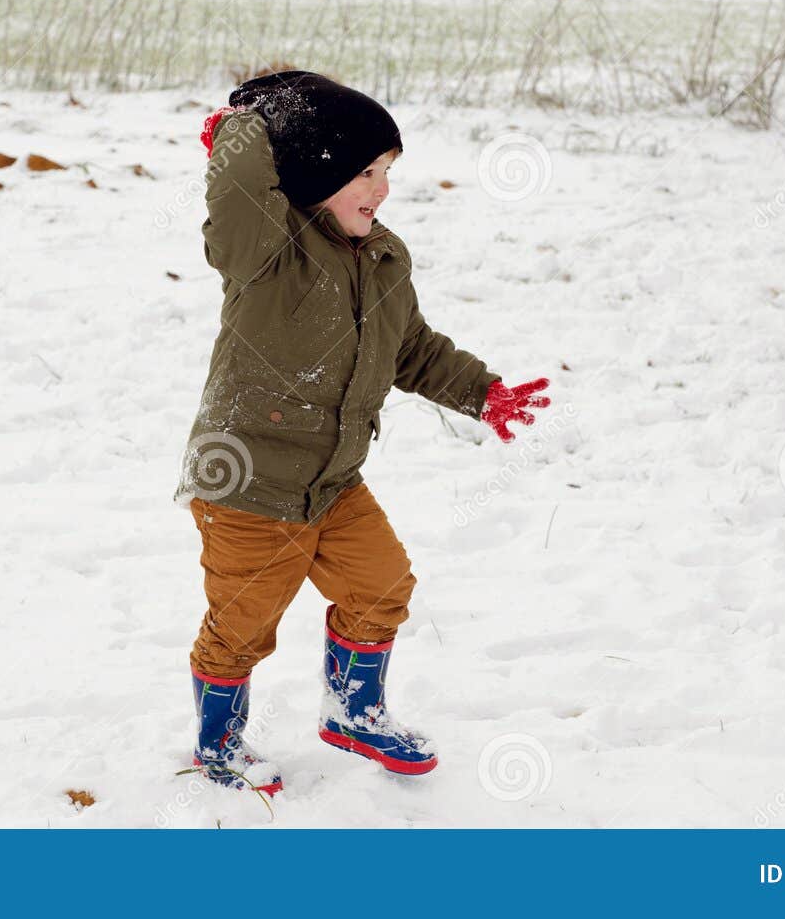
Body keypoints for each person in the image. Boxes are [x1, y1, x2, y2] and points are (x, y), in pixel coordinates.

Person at [175, 70, 551, 795]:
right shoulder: (266, 252)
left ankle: (353, 708)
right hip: (249, 482)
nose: (380, 189)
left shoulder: (383, 257)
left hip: (333, 480)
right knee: (244, 620)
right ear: (316, 171)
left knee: (382, 584)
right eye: (365, 172)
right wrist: (240, 134)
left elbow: (408, 346)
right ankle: (218, 742)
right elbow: (238, 197)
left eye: (387, 172)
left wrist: (481, 391)